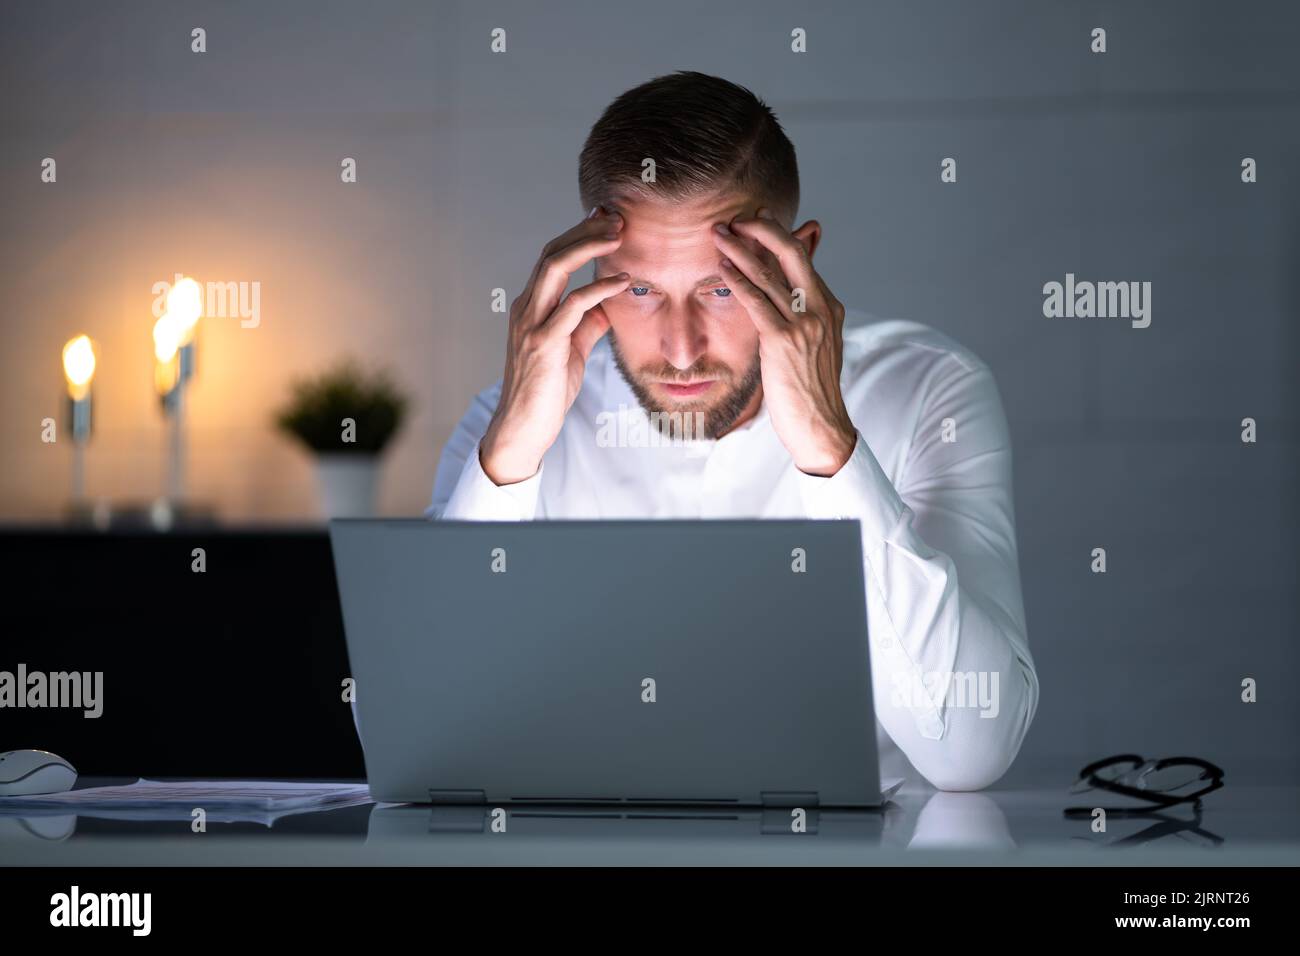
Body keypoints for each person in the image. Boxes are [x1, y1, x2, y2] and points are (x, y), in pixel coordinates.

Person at [427, 71, 1038, 791]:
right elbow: (425, 745)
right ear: (590, 268)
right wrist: (508, 462)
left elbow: (969, 753)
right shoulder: (505, 424)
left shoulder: (931, 390)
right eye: (641, 289)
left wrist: (830, 450)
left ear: (796, 261)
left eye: (722, 289)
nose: (681, 350)